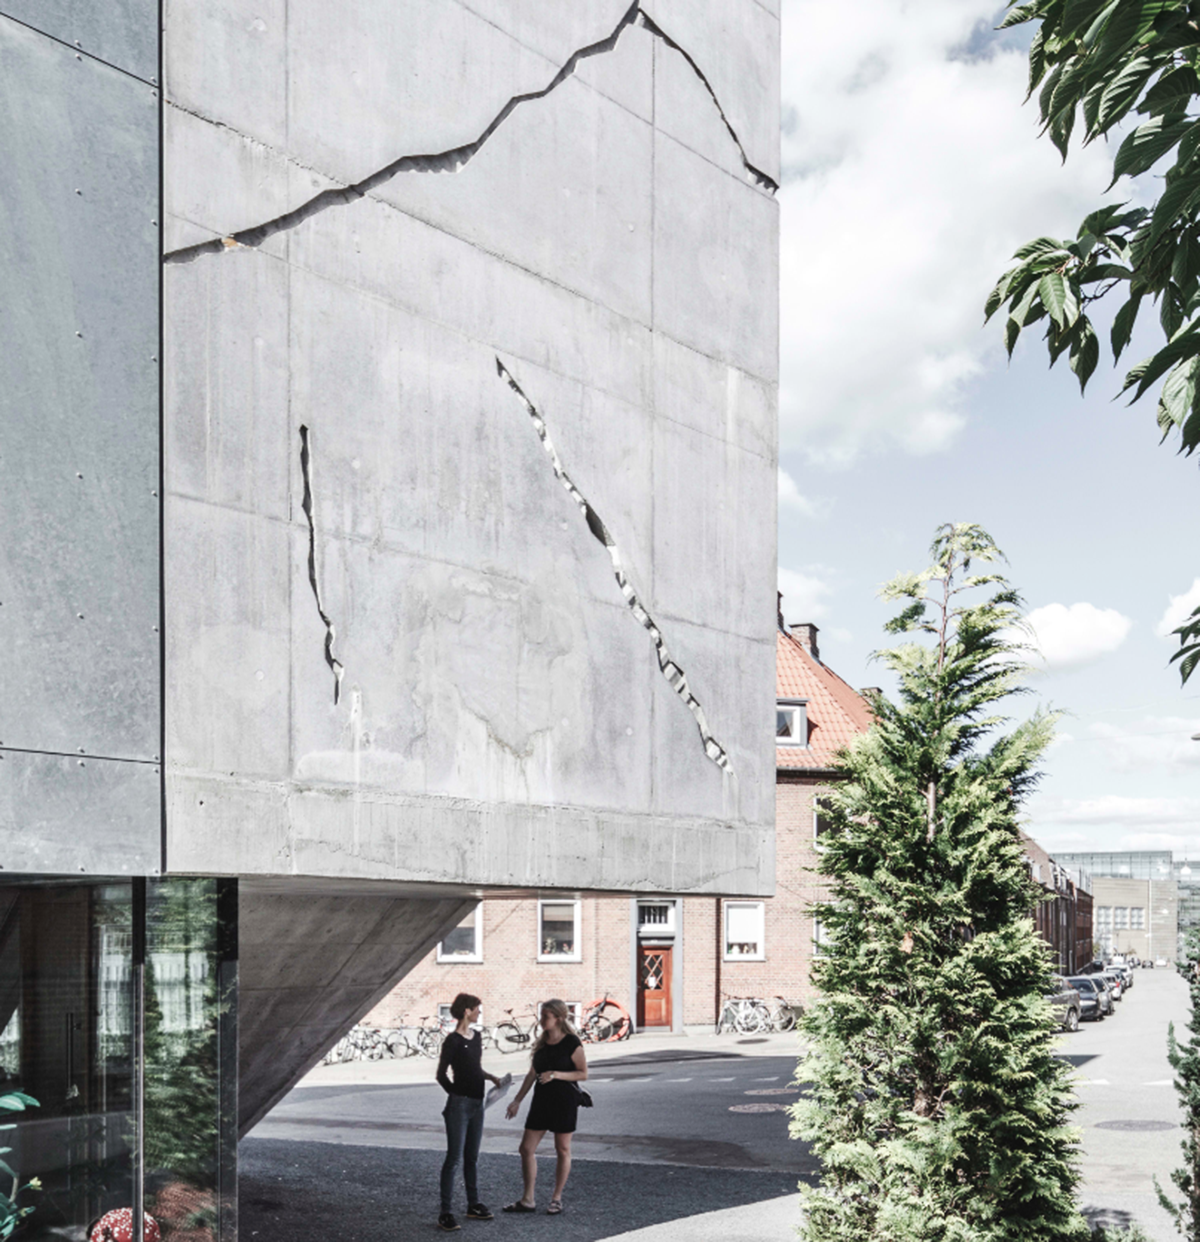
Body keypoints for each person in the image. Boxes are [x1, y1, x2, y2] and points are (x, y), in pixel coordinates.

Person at [502, 999, 588, 1216]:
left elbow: (582, 1073)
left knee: (562, 1149)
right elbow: (532, 1073)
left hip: (564, 1100)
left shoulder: (571, 1043)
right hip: (541, 1101)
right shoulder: (541, 1043)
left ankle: (556, 1198)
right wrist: (517, 1100)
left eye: (545, 1017)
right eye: (541, 1016)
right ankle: (528, 1199)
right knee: (526, 1149)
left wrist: (556, 1074)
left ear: (558, 1018)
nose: (541, 1021)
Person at [437, 992, 503, 1232]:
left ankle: (473, 1205)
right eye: (477, 1008)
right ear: (467, 1011)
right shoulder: (452, 1041)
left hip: (478, 1103)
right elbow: (441, 1074)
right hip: (460, 1105)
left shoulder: (476, 1037)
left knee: (472, 1158)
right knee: (454, 1158)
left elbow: (473, 1067)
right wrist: (455, 1095)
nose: (479, 1012)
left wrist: (491, 1077)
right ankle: (445, 1212)